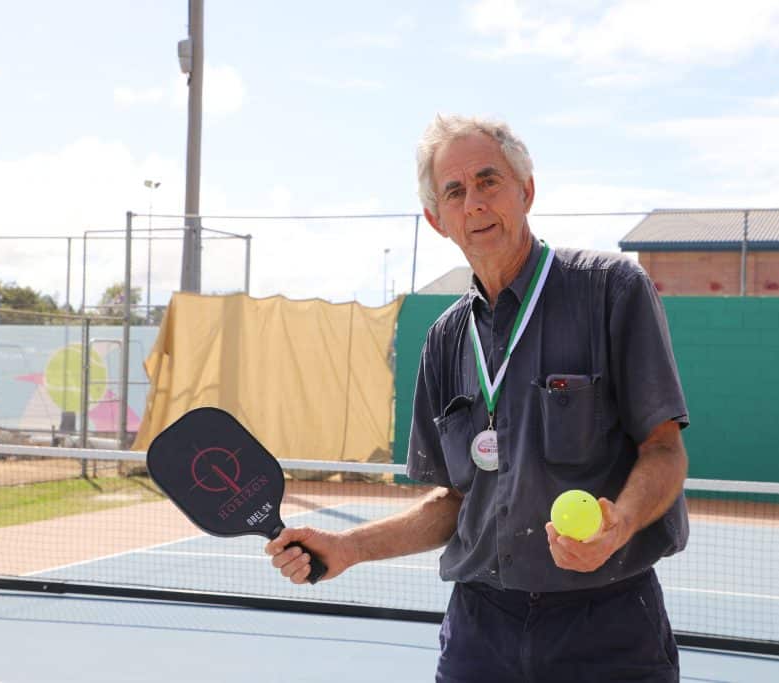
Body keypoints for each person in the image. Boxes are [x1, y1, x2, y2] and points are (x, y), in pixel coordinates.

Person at [266, 114, 690, 682]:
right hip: (479, 631)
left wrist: (621, 522)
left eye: (489, 182)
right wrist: (347, 547)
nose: (475, 204)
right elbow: (455, 501)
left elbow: (664, 450)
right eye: (455, 191)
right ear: (436, 219)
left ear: (526, 191)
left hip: (607, 626)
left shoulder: (612, 291)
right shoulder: (444, 340)